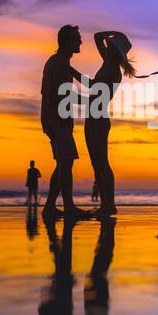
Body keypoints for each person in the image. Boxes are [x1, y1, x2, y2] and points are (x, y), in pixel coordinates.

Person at [69, 31, 136, 216]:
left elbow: (92, 87)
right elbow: (98, 36)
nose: (108, 47)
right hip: (92, 117)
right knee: (96, 163)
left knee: (102, 163)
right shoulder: (107, 60)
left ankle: (109, 204)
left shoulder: (113, 72)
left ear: (117, 53)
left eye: (112, 47)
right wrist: (116, 33)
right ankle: (105, 205)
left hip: (98, 118)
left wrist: (71, 71)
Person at [41, 25, 90, 218]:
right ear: (67, 41)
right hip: (56, 119)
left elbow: (79, 83)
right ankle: (69, 207)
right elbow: (66, 94)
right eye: (77, 39)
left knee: (62, 163)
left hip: (56, 119)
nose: (80, 42)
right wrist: (92, 101)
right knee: (66, 161)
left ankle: (50, 206)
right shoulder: (59, 63)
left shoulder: (61, 62)